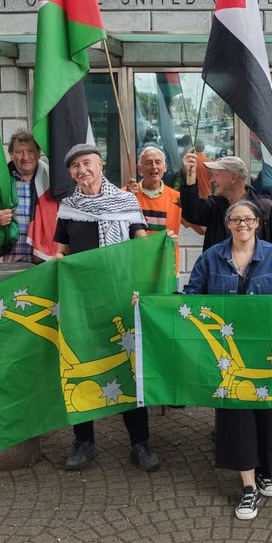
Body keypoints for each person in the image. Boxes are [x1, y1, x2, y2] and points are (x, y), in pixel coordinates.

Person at [184, 199, 272, 519]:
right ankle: (248, 486)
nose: (242, 225)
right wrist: (150, 304)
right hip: (226, 351)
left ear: (258, 223)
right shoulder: (211, 258)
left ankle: (265, 471)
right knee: (236, 413)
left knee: (266, 410)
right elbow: (192, 297)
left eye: (248, 219)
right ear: (227, 224)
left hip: (264, 347)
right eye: (235, 220)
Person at [50, 143, 160, 473]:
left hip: (120, 299)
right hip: (82, 302)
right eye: (74, 166)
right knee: (82, 365)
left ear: (100, 164)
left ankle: (140, 442)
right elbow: (61, 251)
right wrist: (57, 262)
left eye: (87, 163)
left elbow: (141, 244)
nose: (81, 170)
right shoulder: (68, 207)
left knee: (130, 367)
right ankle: (84, 442)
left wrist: (159, 246)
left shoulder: (127, 201)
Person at [180, 153, 272, 262]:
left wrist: (264, 263)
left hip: (256, 284)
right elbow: (192, 213)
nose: (212, 180)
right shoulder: (215, 206)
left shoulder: (265, 208)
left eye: (216, 175)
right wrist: (190, 176)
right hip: (220, 282)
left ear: (233, 177)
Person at [0, 129, 49, 263]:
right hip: (13, 264)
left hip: (48, 262)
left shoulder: (51, 181)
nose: (25, 157)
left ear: (38, 153)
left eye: (31, 151)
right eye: (19, 152)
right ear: (11, 154)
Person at [125, 145, 189, 272]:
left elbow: (201, 227)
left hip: (166, 270)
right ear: (139, 169)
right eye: (148, 163)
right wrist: (124, 198)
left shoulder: (177, 198)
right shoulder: (127, 195)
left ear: (165, 167)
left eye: (158, 162)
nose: (154, 166)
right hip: (135, 269)